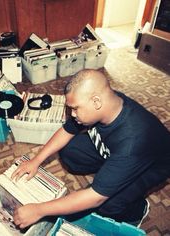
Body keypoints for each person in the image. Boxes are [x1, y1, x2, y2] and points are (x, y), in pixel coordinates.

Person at [11, 69, 170, 229]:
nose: (72, 114)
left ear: (96, 102)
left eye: (75, 108)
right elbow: (66, 130)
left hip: (150, 167)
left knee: (106, 205)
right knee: (70, 151)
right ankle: (112, 172)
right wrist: (36, 161)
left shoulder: (132, 142)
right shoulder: (106, 103)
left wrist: (39, 210)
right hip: (118, 153)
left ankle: (137, 210)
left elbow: (96, 198)